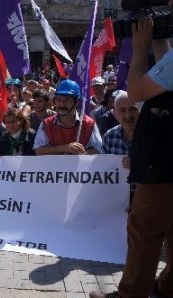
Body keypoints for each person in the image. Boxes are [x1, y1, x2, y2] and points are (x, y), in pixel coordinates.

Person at [90, 14, 173, 298]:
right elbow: (167, 72)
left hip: (162, 161)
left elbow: (136, 91)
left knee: (144, 229)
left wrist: (140, 47)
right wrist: (160, 39)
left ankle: (131, 294)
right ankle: (168, 287)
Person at [33, 79, 102, 155]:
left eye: (67, 99)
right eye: (59, 99)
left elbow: (98, 149)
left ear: (77, 102)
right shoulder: (46, 124)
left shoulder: (89, 124)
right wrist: (65, 148)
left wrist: (81, 155)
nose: (62, 104)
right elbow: (39, 151)